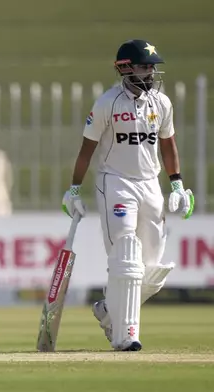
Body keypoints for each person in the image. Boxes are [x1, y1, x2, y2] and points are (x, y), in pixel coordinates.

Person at [62, 39, 194, 352]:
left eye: (152, 67)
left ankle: (109, 310)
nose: (150, 73)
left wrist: (176, 184)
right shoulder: (108, 102)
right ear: (125, 68)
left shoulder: (161, 103)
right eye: (144, 66)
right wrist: (74, 188)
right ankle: (126, 337)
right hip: (116, 182)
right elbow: (87, 149)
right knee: (125, 249)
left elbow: (168, 145)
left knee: (152, 268)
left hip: (151, 185)